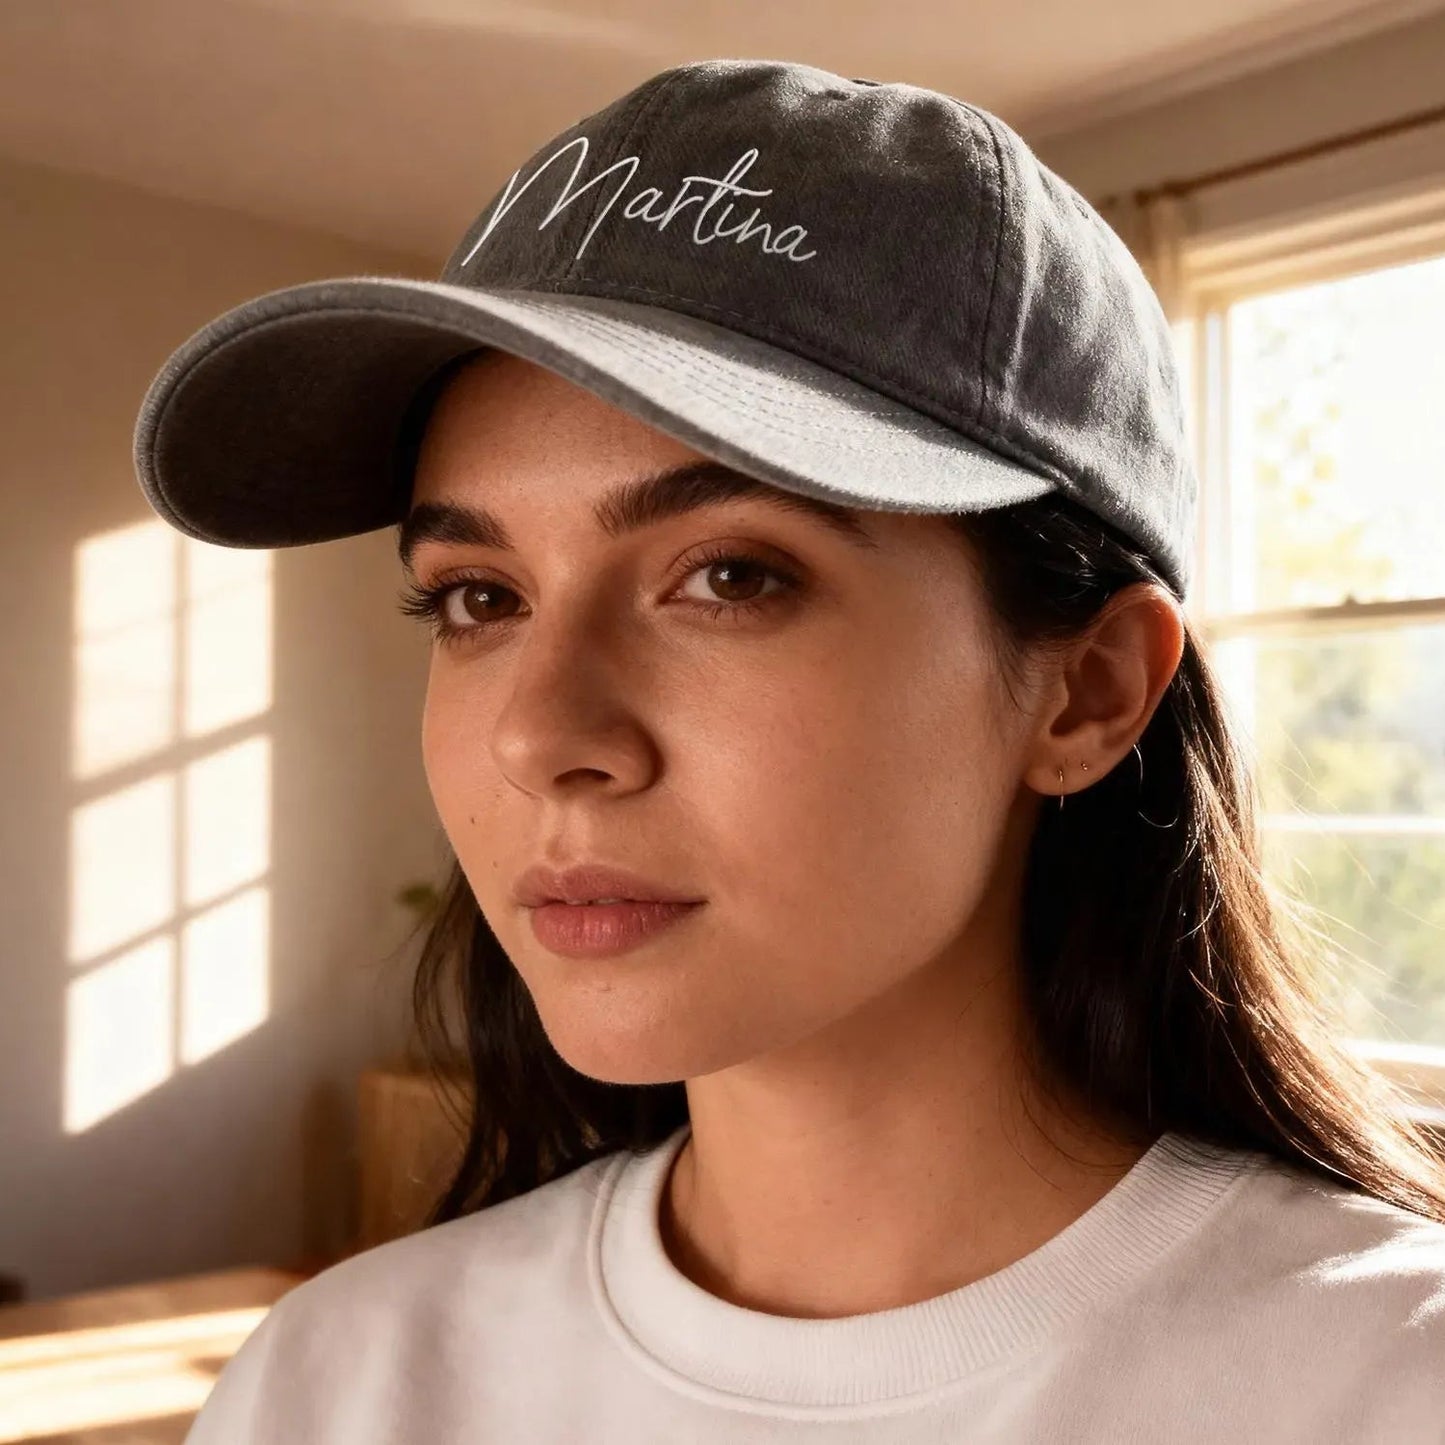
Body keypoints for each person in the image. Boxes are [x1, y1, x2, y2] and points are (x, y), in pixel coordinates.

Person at [133, 57, 1445, 1444]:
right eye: (479, 595)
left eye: (730, 577)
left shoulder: (1386, 1381)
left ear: (1088, 692)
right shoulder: (335, 1384)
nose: (539, 733)